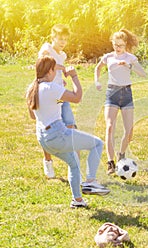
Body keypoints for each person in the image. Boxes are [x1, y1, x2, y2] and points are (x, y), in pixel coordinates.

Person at [26, 56, 110, 208]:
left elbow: (33, 115)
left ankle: (77, 201)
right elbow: (77, 98)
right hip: (58, 134)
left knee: (74, 163)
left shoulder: (32, 89)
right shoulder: (51, 88)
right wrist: (74, 77)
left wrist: (58, 97)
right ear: (50, 71)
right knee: (97, 144)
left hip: (44, 140)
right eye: (55, 70)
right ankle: (90, 182)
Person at [94, 29, 146, 174]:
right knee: (110, 126)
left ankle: (121, 154)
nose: (118, 48)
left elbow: (143, 73)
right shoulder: (108, 57)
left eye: (121, 45)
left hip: (126, 93)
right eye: (116, 45)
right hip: (112, 93)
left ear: (125, 45)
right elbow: (97, 68)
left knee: (129, 131)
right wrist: (97, 81)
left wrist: (129, 66)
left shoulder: (130, 58)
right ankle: (110, 162)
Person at [38, 24, 76, 179]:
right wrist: (64, 69)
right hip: (48, 95)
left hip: (60, 93)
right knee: (47, 128)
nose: (63, 42)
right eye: (60, 39)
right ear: (53, 37)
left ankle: (72, 163)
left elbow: (57, 72)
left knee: (70, 125)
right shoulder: (46, 48)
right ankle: (48, 161)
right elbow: (45, 63)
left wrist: (62, 81)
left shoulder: (63, 55)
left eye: (65, 40)